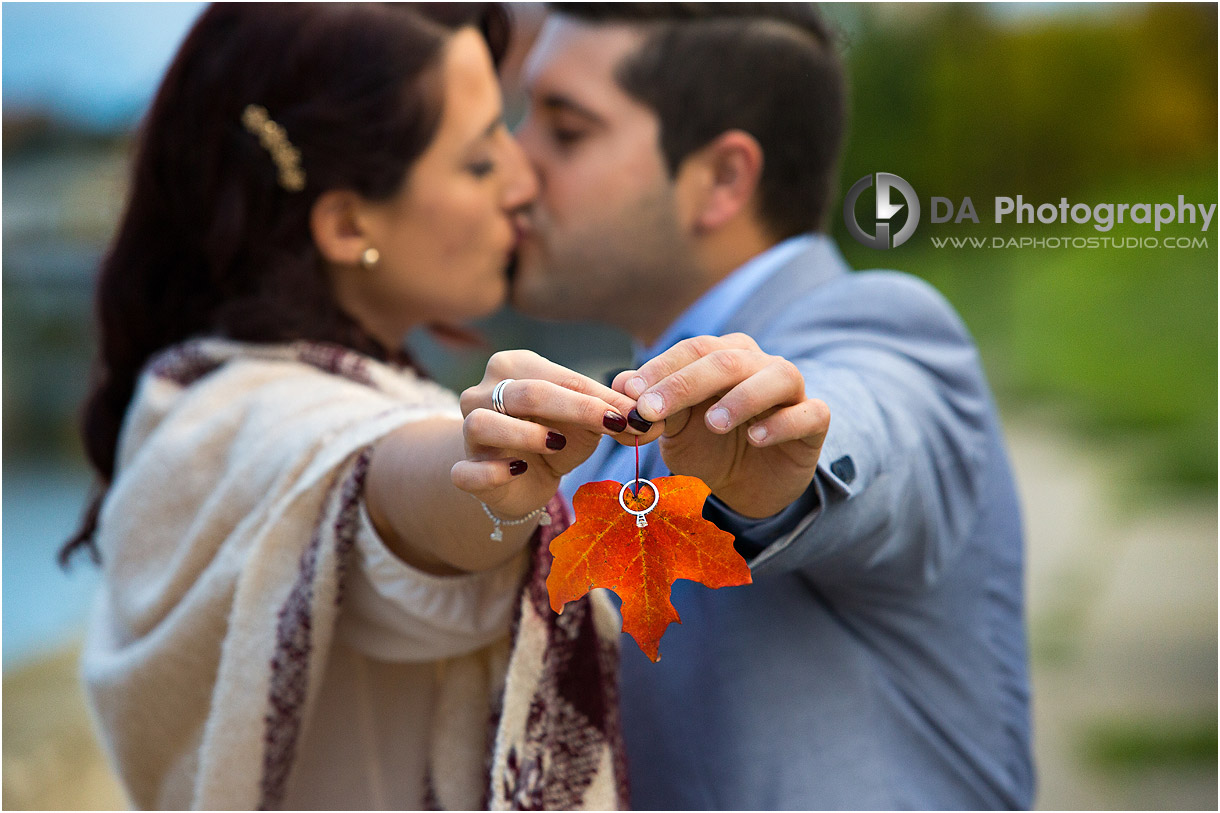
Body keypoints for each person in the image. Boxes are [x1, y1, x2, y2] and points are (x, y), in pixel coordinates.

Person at [63, 4, 641, 809]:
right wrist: (486, 465)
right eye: (479, 162)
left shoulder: (254, 394)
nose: (523, 182)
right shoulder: (240, 419)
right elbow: (367, 476)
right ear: (346, 222)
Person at [510, 3, 1036, 808]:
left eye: (566, 130)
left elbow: (872, 421)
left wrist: (782, 463)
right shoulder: (626, 405)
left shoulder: (882, 325)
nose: (515, 169)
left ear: (723, 180)